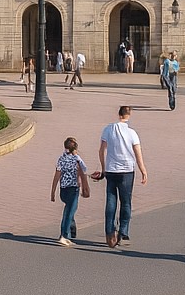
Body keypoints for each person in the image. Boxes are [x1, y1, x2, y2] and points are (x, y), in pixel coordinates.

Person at [94, 106, 147, 248]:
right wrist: (143, 170)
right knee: (126, 201)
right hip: (127, 171)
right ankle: (123, 230)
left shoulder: (108, 129)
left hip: (111, 170)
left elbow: (101, 150)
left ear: (118, 114)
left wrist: (103, 168)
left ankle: (110, 232)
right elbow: (137, 153)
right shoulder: (132, 133)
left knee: (111, 201)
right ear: (129, 115)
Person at [50, 136, 90, 246]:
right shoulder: (77, 159)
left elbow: (57, 175)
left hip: (63, 190)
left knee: (69, 209)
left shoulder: (61, 159)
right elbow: (83, 173)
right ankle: (64, 235)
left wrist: (53, 191)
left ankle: (71, 229)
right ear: (75, 148)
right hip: (73, 189)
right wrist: (86, 188)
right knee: (69, 212)